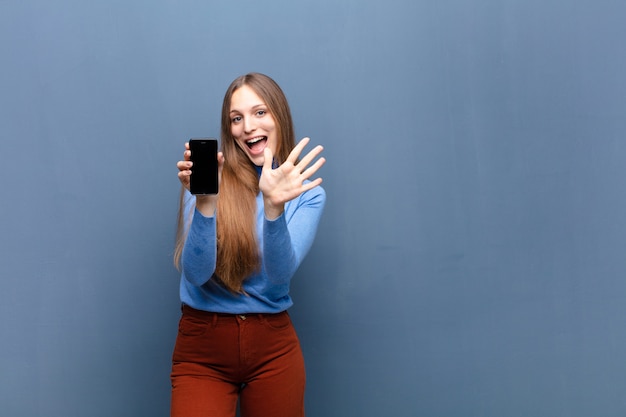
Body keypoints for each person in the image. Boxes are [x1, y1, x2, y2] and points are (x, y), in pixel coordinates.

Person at [170, 73, 326, 417]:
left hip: (273, 348)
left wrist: (274, 210)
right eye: (236, 118)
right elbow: (196, 275)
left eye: (259, 112)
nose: (247, 127)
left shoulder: (307, 193)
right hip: (202, 348)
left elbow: (280, 274)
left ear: (279, 116)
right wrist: (206, 204)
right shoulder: (205, 177)